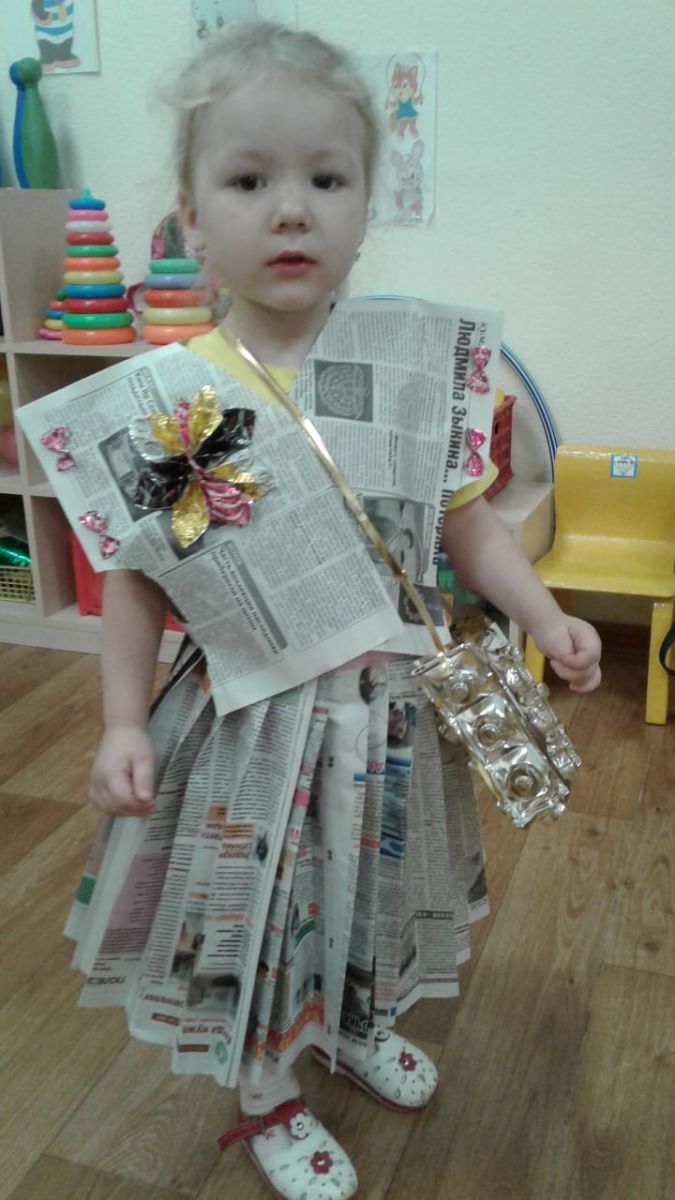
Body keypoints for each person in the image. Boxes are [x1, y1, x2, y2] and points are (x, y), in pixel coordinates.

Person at [78, 22, 601, 1200]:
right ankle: (268, 1092)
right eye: (248, 180)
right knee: (262, 913)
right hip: (251, 729)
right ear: (192, 218)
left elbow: (467, 521)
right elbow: (136, 575)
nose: (292, 209)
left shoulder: (414, 369)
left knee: (375, 886)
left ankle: (357, 1022)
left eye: (326, 178)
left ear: (369, 206)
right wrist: (119, 720)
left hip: (394, 712)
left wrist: (543, 613)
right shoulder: (173, 397)